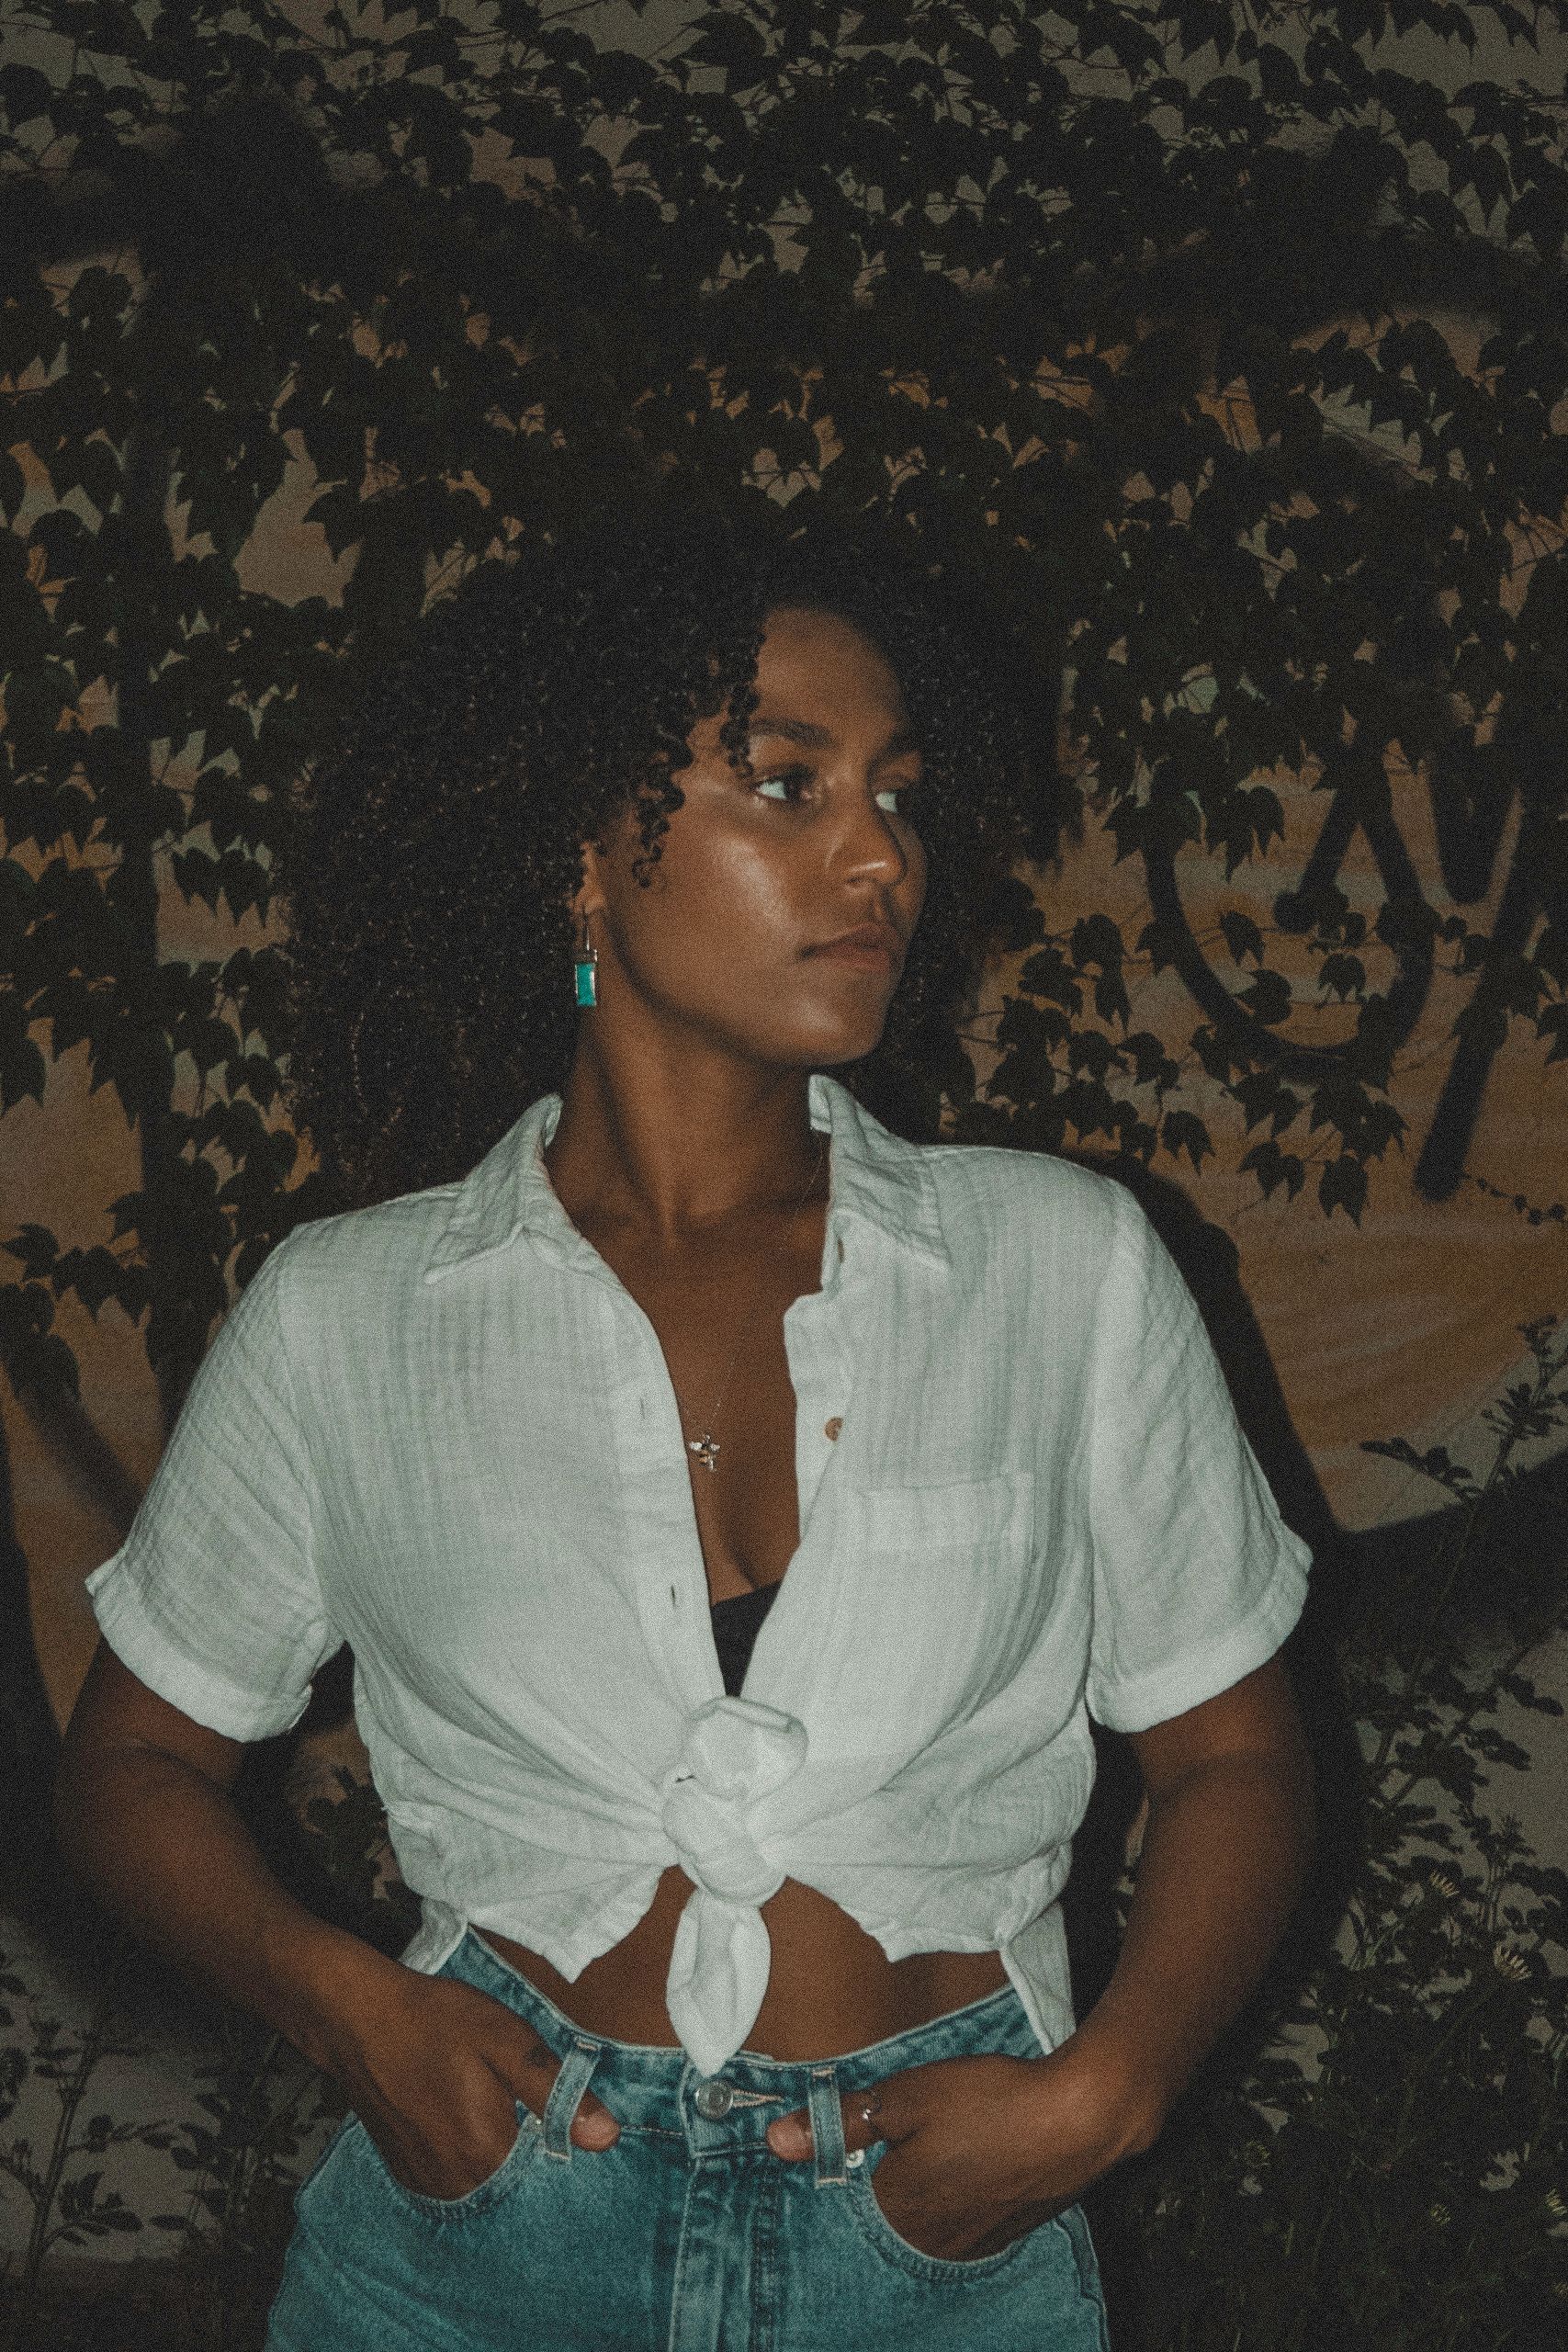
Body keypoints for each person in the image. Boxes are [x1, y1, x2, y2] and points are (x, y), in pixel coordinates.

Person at [55, 497, 1315, 2351]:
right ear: (580, 854)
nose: (879, 857)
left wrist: (1103, 2096)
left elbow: (1237, 1759)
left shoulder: (1056, 1267)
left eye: (898, 795)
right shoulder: (352, 1313)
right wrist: (353, 2012)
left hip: (934, 2235)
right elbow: (127, 1767)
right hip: (478, 2238)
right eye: (788, 785)